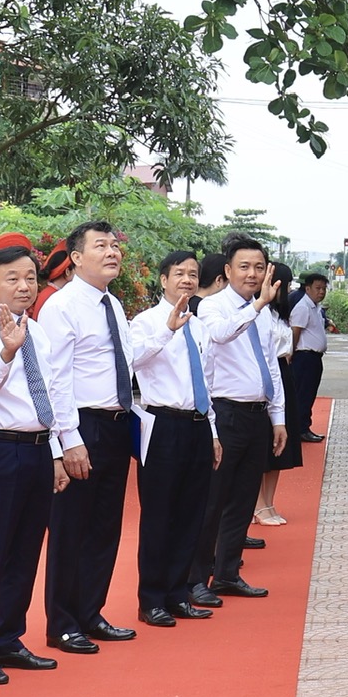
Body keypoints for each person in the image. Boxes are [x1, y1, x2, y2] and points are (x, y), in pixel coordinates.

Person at [0, 244, 80, 681]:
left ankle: (8, 637)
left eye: (31, 277)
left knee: (26, 547)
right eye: (13, 278)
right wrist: (6, 354)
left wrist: (59, 451)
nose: (25, 286)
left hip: (39, 446)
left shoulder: (37, 331)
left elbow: (56, 391)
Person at [36, 220, 136, 654]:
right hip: (83, 426)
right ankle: (61, 623)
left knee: (104, 527)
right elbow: (55, 377)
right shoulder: (62, 306)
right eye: (101, 246)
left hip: (115, 424)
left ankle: (90, 611)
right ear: (76, 258)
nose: (112, 252)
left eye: (115, 245)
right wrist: (68, 439)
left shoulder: (111, 304)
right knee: (71, 528)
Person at [192, 236, 286, 607]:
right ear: (228, 271)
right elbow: (220, 335)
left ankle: (228, 573)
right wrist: (257, 306)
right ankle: (197, 578)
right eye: (244, 267)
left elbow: (271, 366)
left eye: (259, 267)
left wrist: (278, 417)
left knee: (244, 500)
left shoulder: (261, 312)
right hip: (224, 413)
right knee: (213, 500)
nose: (252, 273)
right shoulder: (212, 308)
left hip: (256, 415)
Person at [128, 250, 215, 625]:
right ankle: (152, 599)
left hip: (197, 423)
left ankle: (179, 593)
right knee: (159, 515)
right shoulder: (146, 322)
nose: (187, 280)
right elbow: (133, 361)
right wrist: (167, 329)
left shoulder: (200, 323)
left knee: (190, 514)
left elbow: (206, 380)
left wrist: (212, 428)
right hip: (162, 426)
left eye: (193, 274)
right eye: (179, 273)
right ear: (163, 280)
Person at [252, 265, 298, 529]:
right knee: (265, 446)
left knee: (282, 444)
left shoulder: (280, 315)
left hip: (284, 374)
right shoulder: (260, 313)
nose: (289, 290)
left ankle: (269, 502)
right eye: (287, 284)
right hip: (270, 372)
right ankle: (258, 504)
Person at [286, 270, 330, 448]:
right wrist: (292, 352)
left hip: (313, 358)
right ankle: (301, 429)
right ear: (307, 288)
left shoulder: (315, 306)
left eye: (324, 288)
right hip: (304, 357)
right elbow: (295, 331)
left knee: (309, 393)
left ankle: (303, 427)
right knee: (303, 394)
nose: (321, 292)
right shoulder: (303, 307)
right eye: (318, 288)